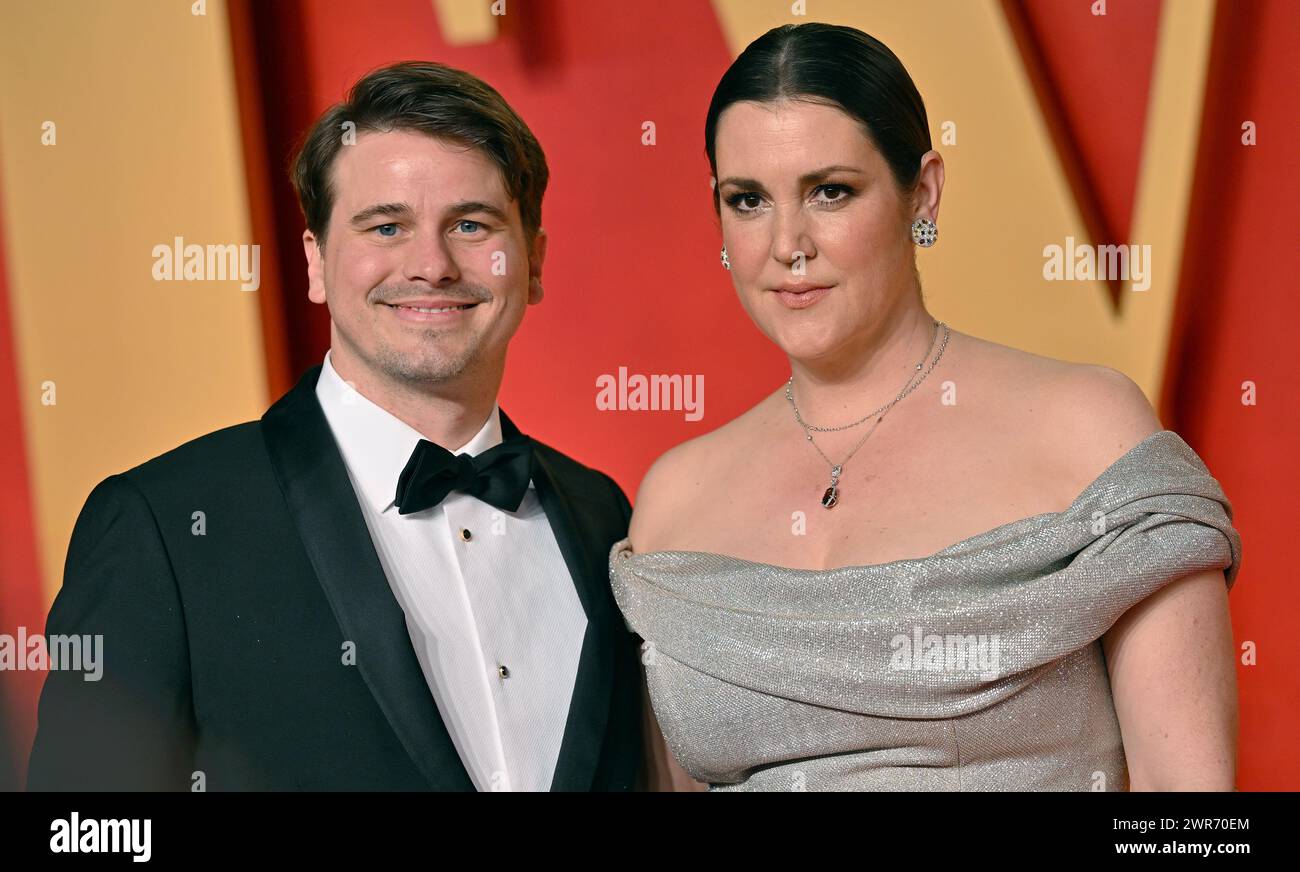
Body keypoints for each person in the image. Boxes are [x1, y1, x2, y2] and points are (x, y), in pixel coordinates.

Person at [610, 23, 1242, 791]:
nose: (788, 244)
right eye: (747, 201)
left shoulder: (1085, 428)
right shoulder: (675, 498)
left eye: (830, 191)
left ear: (924, 191)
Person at [28, 61, 642, 791]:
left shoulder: (604, 513)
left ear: (533, 262)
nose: (432, 265)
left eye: (471, 225)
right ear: (316, 262)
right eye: (387, 226)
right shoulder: (162, 526)